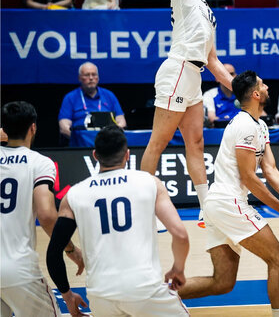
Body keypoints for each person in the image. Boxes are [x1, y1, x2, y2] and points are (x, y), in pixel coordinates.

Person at [109, 0, 234, 226]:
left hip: (195, 77)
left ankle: (207, 209)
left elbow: (213, 61)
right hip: (177, 70)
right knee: (158, 142)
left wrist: (238, 88)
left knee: (197, 144)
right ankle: (144, 210)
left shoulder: (208, 11)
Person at [177, 70, 279, 317]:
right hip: (229, 202)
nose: (268, 87)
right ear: (255, 94)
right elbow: (249, 178)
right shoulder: (244, 126)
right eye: (263, 85)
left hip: (217, 205)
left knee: (222, 282)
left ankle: (157, 295)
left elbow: (270, 169)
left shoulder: (259, 125)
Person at [47, 126, 189, 317]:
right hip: (145, 290)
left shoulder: (74, 195)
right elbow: (180, 234)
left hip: (101, 296)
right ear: (127, 155)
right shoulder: (149, 182)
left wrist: (67, 295)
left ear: (95, 155)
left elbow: (54, 252)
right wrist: (178, 269)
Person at [0, 101, 84, 317]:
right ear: (33, 128)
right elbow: (46, 215)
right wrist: (70, 249)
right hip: (17, 269)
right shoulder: (39, 163)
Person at [58, 62, 127, 140]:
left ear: (98, 77)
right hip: (81, 143)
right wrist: (78, 139)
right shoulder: (70, 98)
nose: (91, 78)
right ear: (79, 78)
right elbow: (64, 127)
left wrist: (111, 138)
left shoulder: (109, 95)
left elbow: (122, 122)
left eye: (94, 75)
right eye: (87, 75)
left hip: (107, 141)